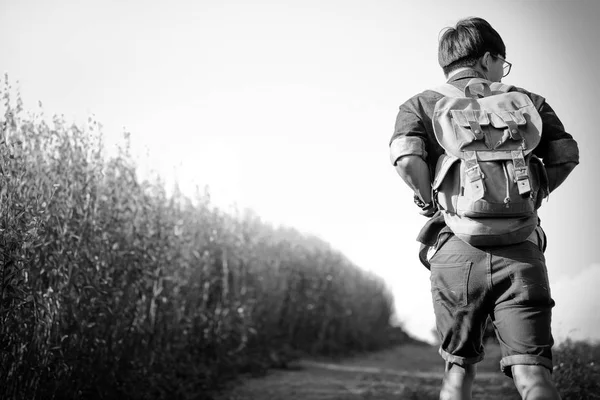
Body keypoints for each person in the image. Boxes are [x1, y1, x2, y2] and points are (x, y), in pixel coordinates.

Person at [389, 17, 579, 400]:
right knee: (533, 376)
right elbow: (566, 156)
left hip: (456, 251)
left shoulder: (421, 103)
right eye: (501, 63)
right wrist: (532, 195)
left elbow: (407, 158)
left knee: (458, 374)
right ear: (489, 58)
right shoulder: (528, 102)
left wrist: (429, 199)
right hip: (521, 249)